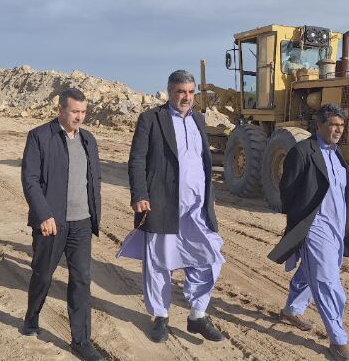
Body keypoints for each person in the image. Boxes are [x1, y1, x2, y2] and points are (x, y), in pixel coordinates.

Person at [118, 70, 225, 343]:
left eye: (190, 92)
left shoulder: (199, 119)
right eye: (181, 92)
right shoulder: (151, 119)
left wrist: (209, 195)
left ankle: (197, 314)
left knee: (209, 257)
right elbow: (137, 159)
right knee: (158, 262)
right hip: (163, 203)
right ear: (169, 92)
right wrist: (139, 194)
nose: (186, 97)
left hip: (197, 207)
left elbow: (202, 162)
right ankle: (160, 316)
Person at [269, 103, 349, 361]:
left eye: (341, 125)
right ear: (319, 125)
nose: (338, 130)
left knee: (313, 270)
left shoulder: (336, 153)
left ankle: (292, 309)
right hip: (315, 226)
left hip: (337, 226)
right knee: (327, 280)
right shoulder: (302, 151)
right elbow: (287, 191)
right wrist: (302, 222)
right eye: (333, 125)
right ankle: (338, 339)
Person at [21, 88, 103, 361]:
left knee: (81, 279)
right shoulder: (39, 137)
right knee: (43, 274)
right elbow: (30, 180)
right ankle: (32, 317)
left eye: (83, 112)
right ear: (60, 110)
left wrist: (94, 214)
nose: (79, 117)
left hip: (81, 223)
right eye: (74, 111)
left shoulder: (88, 140)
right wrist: (43, 214)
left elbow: (94, 179)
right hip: (51, 223)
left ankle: (81, 341)